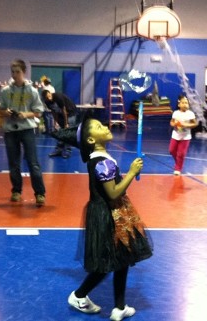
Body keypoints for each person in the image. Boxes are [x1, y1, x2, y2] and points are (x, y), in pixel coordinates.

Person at [53, 117, 152, 320]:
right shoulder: (101, 162)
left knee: (121, 258)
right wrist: (132, 173)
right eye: (99, 127)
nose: (105, 126)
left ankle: (119, 307)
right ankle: (79, 296)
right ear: (91, 141)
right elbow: (114, 193)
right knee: (108, 261)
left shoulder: (102, 158)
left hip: (111, 213)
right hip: (108, 214)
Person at [0, 59, 47, 206]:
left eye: (17, 72)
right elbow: (0, 110)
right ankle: (16, 191)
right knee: (13, 163)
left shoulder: (32, 91)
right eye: (12, 72)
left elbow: (38, 112)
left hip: (27, 130)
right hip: (10, 131)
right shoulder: (5, 91)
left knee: (33, 163)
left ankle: (40, 193)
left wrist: (25, 115)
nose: (14, 75)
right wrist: (6, 112)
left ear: (24, 72)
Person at [42, 89, 78, 158]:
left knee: (68, 132)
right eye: (46, 98)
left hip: (70, 113)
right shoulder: (47, 102)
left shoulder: (58, 97)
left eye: (49, 96)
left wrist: (66, 123)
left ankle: (67, 151)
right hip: (61, 114)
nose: (48, 98)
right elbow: (54, 111)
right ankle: (58, 150)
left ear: (50, 93)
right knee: (60, 132)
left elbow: (64, 111)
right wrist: (55, 122)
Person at [169, 95, 198, 176]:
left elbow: (195, 123)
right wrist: (174, 124)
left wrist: (186, 125)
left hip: (185, 137)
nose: (185, 104)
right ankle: (178, 162)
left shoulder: (190, 114)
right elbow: (171, 122)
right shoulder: (175, 113)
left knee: (181, 154)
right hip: (176, 135)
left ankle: (178, 168)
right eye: (183, 103)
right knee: (171, 150)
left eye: (186, 103)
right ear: (179, 104)